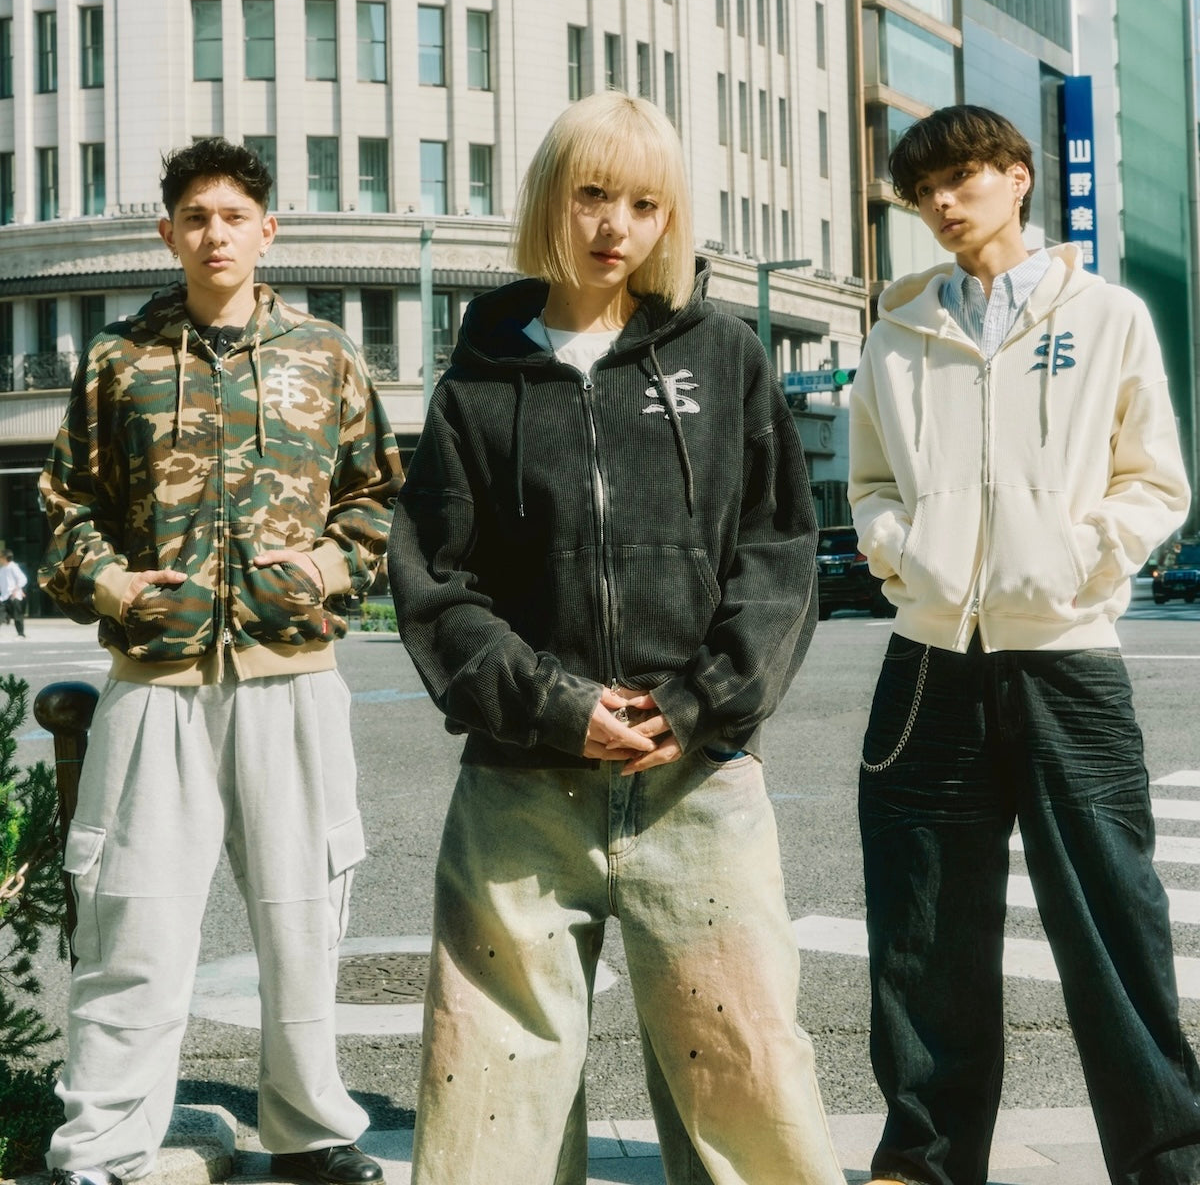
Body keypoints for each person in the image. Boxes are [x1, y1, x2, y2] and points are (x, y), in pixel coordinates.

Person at [387, 92, 844, 1185]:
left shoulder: (723, 355)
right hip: (521, 785)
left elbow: (778, 555)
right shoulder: (478, 379)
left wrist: (696, 704)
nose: (615, 225)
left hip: (700, 777)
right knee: (490, 1084)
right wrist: (554, 705)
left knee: (747, 1078)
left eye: (645, 203)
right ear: (551, 196)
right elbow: (437, 583)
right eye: (592, 193)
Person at [39, 138, 403, 1185]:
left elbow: (378, 498)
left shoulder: (324, 353)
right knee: (133, 925)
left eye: (234, 216)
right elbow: (66, 508)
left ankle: (309, 1132)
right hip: (156, 684)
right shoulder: (119, 359)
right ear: (168, 233)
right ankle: (100, 1151)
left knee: (303, 922)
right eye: (195, 217)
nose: (215, 235)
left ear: (267, 229)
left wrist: (328, 568)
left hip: (293, 679)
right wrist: (113, 586)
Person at [848, 104, 1200, 1185]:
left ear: (1016, 176)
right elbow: (869, 482)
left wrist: (1083, 559)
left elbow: (1155, 480)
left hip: (1068, 656)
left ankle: (1167, 1161)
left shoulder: (1104, 316)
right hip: (930, 660)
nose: (942, 203)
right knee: (923, 928)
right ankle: (927, 1161)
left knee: (1112, 919)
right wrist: (903, 553)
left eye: (961, 178)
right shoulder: (898, 334)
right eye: (923, 192)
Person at [0, 549, 27, 636]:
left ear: (5, 557)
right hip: (4, 596)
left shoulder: (13, 567)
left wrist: (17, 589)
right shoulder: (2, 569)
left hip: (14, 596)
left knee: (17, 616)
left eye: (0, 557)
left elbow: (23, 579)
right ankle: (6, 619)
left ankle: (21, 634)